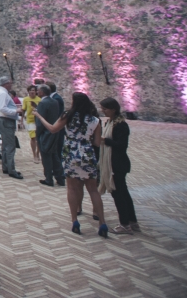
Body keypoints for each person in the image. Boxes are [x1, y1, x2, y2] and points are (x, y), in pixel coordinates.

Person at [35, 92, 108, 237]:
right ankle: (102, 223)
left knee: (72, 188)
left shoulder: (67, 116)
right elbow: (97, 143)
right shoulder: (95, 120)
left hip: (71, 153)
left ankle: (74, 220)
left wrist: (40, 117)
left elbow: (53, 129)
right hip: (87, 153)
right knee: (93, 189)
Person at [99, 97, 139, 234]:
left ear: (113, 109)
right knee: (123, 193)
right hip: (113, 162)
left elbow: (121, 146)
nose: (102, 111)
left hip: (117, 164)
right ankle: (132, 222)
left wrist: (105, 141)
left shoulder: (120, 125)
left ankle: (125, 224)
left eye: (105, 109)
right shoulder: (110, 122)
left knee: (119, 195)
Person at [34, 84, 65, 187]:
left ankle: (48, 179)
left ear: (42, 92)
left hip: (45, 133)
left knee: (46, 156)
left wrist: (37, 133)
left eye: (38, 91)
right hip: (54, 132)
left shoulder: (43, 103)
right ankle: (60, 178)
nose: (37, 92)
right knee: (54, 155)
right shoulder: (55, 102)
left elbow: (40, 122)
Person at [0, 76, 22, 179]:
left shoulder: (0, 92)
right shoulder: (3, 93)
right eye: (10, 83)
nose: (11, 85)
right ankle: (11, 169)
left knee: (6, 145)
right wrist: (16, 111)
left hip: (3, 120)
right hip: (6, 120)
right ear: (6, 84)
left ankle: (6, 167)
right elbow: (2, 108)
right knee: (10, 146)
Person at [22, 85, 42, 164]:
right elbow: (23, 109)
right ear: (28, 91)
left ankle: (38, 153)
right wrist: (21, 120)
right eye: (30, 90)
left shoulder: (39, 100)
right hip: (30, 120)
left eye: (33, 90)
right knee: (33, 138)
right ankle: (34, 155)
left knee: (39, 138)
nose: (32, 91)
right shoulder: (26, 99)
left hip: (38, 120)